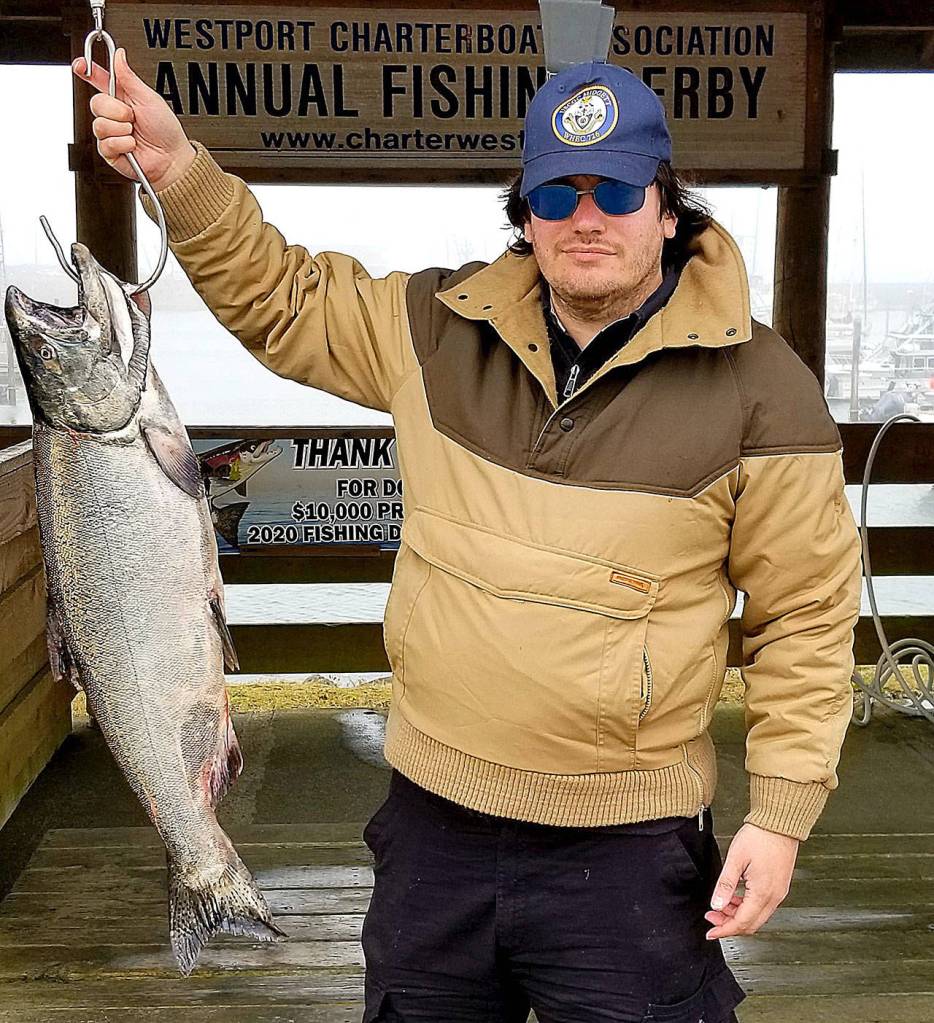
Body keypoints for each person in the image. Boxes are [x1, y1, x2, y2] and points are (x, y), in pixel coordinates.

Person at [75, 51, 863, 1023]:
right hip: (433, 833)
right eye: (557, 193)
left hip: (628, 848)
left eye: (616, 190)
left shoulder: (764, 386)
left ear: (668, 209)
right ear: (525, 214)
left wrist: (780, 817)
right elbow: (284, 299)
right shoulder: (433, 327)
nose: (585, 216)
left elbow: (805, 619)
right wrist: (177, 171)